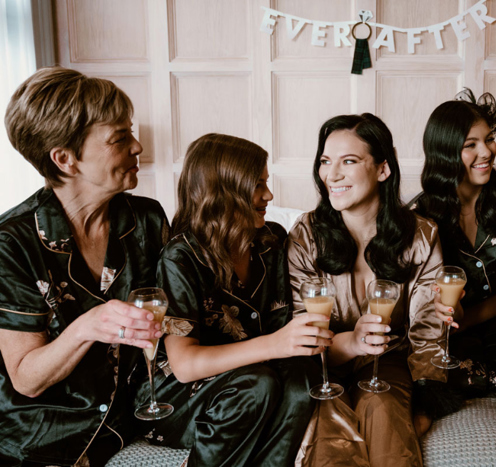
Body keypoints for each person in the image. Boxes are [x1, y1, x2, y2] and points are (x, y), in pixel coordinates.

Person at [0, 67, 167, 466]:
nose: (138, 146)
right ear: (65, 159)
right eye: (119, 138)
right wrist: (89, 324)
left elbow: (174, 316)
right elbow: (26, 376)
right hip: (46, 436)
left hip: (136, 416)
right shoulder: (13, 243)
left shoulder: (146, 219)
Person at [137, 133, 328, 466]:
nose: (269, 195)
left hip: (259, 379)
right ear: (224, 191)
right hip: (187, 397)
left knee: (302, 378)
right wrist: (275, 345)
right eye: (257, 185)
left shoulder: (272, 242)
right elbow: (184, 367)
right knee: (259, 384)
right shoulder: (180, 258)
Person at [288, 113, 444, 467]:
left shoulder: (421, 234)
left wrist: (427, 402)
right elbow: (303, 332)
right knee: (328, 435)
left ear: (383, 169)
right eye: (326, 161)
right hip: (323, 367)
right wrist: (351, 343)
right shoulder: (306, 235)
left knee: (384, 411)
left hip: (388, 363)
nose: (332, 174)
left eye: (349, 161)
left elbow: (427, 329)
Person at [411, 90, 496, 432]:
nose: (486, 152)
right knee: (429, 371)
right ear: (445, 154)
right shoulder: (421, 215)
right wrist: (450, 317)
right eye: (470, 144)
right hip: (451, 329)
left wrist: (468, 317)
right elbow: (426, 306)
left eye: (488, 139)